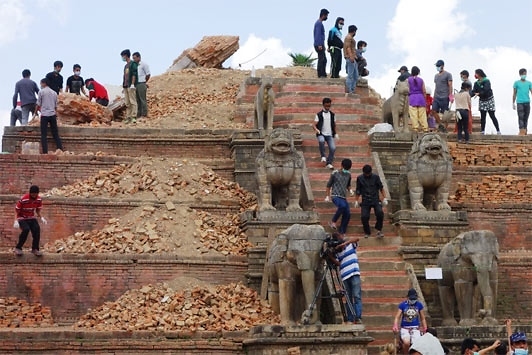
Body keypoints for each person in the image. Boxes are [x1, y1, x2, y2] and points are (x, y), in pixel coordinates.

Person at [330, 231, 362, 324]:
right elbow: (338, 263)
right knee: (348, 298)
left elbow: (356, 239)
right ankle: (350, 318)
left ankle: (358, 317)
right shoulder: (338, 252)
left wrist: (344, 244)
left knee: (356, 296)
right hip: (344, 276)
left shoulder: (350, 245)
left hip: (354, 273)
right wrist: (330, 255)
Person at [13, 185, 47, 256]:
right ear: (30, 193)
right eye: (32, 194)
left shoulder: (38, 199)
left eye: (35, 194)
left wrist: (41, 217)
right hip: (22, 217)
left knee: (37, 229)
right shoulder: (24, 199)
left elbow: (37, 210)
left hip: (31, 217)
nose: (34, 195)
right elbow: (17, 210)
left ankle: (35, 249)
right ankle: (18, 248)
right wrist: (16, 220)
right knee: (26, 229)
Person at [354, 164, 387, 238]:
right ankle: (367, 232)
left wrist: (384, 197)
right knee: (364, 216)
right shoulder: (360, 178)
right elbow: (358, 190)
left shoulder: (376, 177)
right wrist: (356, 200)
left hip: (375, 198)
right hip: (365, 199)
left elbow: (381, 188)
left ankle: (378, 229)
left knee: (380, 213)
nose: (367, 175)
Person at [392, 288, 427, 354]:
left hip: (415, 328)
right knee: (406, 343)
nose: (413, 300)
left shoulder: (419, 305)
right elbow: (397, 317)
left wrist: (425, 328)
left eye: (414, 299)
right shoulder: (402, 305)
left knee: (416, 344)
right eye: (411, 299)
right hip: (405, 328)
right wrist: (395, 325)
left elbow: (423, 318)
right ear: (408, 297)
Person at [325, 158, 353, 236]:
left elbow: (348, 185)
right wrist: (327, 196)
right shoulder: (335, 173)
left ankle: (342, 231)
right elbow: (329, 185)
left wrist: (350, 190)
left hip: (343, 196)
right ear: (341, 165)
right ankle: (333, 221)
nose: (346, 170)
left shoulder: (348, 174)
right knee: (343, 206)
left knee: (347, 213)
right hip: (335, 195)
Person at [37, 78, 63, 154]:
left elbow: (38, 104)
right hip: (52, 115)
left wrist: (35, 112)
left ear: (44, 83)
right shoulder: (54, 93)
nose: (41, 85)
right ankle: (60, 149)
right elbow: (56, 106)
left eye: (41, 83)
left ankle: (45, 151)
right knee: (55, 133)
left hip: (44, 115)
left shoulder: (41, 92)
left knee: (44, 135)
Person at [472, 68, 501, 135]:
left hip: (489, 100)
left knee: (492, 115)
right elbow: (474, 91)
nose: (475, 75)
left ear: (479, 74)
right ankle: (482, 131)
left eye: (476, 73)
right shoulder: (476, 83)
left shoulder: (487, 81)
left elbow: (486, 90)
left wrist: (479, 93)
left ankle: (498, 130)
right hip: (482, 100)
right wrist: (468, 95)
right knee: (483, 116)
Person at [312, 97, 338, 169]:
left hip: (329, 134)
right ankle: (323, 156)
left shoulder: (332, 115)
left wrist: (335, 133)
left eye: (329, 106)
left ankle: (329, 162)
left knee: (333, 148)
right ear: (323, 105)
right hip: (321, 133)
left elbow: (334, 124)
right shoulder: (319, 114)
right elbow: (313, 125)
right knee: (321, 140)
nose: (327, 107)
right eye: (326, 106)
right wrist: (316, 130)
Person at [432, 59, 453, 132]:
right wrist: (433, 97)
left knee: (445, 115)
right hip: (437, 96)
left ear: (442, 66)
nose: (437, 67)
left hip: (444, 97)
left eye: (438, 66)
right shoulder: (436, 76)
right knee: (433, 111)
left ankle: (445, 129)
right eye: (436, 66)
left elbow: (450, 85)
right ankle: (440, 125)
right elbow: (436, 86)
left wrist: (450, 96)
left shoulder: (448, 74)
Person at [407, 66, 428, 132]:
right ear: (418, 72)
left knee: (414, 115)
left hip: (412, 99)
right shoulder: (421, 80)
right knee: (422, 115)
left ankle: (415, 128)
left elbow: (406, 90)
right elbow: (424, 91)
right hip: (421, 98)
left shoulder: (408, 80)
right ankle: (425, 128)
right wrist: (424, 100)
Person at [120, 49, 138, 123]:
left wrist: (133, 84)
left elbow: (134, 74)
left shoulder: (132, 64)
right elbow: (125, 76)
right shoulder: (126, 66)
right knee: (127, 102)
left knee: (132, 101)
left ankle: (134, 116)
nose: (122, 58)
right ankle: (128, 117)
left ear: (126, 55)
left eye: (122, 56)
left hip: (131, 85)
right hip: (126, 85)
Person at [513, 68, 532, 135]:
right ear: (520, 74)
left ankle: (525, 130)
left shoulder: (529, 83)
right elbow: (514, 93)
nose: (524, 75)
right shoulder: (516, 83)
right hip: (520, 102)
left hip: (527, 102)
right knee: (521, 116)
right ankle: (521, 130)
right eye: (523, 74)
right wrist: (513, 102)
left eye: (525, 74)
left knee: (526, 117)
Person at [133, 52, 151, 117]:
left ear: (139, 57)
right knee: (138, 100)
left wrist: (144, 82)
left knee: (142, 99)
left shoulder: (144, 64)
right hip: (136, 84)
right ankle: (139, 114)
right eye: (133, 58)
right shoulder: (135, 66)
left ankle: (144, 114)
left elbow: (148, 74)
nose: (134, 59)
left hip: (141, 83)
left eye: (135, 58)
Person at [313, 8, 329, 78]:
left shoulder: (319, 23)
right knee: (321, 59)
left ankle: (323, 73)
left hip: (320, 44)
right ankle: (320, 74)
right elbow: (318, 34)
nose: (327, 17)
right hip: (318, 44)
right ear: (323, 15)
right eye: (326, 16)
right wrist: (319, 44)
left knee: (324, 59)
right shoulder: (319, 24)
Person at [343, 25, 358, 94]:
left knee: (355, 75)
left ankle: (352, 89)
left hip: (353, 58)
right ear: (354, 31)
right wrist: (351, 56)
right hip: (350, 58)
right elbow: (348, 47)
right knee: (350, 75)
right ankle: (350, 90)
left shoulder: (350, 38)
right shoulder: (348, 37)